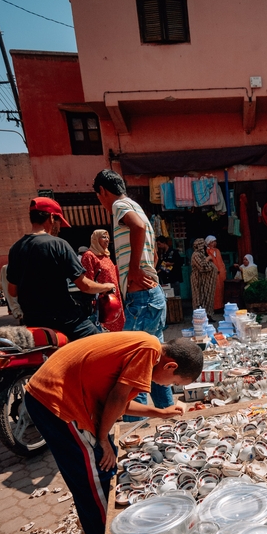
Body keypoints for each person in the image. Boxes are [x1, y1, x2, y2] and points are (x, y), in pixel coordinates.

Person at [25, 334, 203, 534]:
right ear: (170, 366)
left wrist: (159, 412)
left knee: (103, 463)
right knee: (94, 478)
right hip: (57, 400)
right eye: (174, 382)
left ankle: (102, 532)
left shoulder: (148, 345)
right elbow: (118, 398)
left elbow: (119, 402)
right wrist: (102, 439)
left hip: (54, 393)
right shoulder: (149, 351)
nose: (167, 386)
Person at [93, 169, 173, 420]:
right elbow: (155, 252)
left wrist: (136, 269)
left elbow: (137, 228)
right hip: (152, 296)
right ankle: (166, 417)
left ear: (103, 192)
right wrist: (145, 268)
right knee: (152, 360)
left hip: (141, 298)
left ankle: (133, 428)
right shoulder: (136, 207)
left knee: (132, 365)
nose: (102, 203)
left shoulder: (119, 205)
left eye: (99, 198)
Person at [7, 197, 115, 341]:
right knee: (102, 345)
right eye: (59, 222)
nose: (59, 227)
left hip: (33, 320)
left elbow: (12, 291)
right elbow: (84, 286)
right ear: (52, 217)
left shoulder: (16, 248)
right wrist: (105, 286)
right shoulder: (58, 245)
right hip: (65, 320)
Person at [81, 230, 125, 332]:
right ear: (96, 239)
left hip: (114, 298)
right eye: (104, 237)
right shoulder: (89, 256)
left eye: (108, 237)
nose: (107, 240)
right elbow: (88, 281)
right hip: (102, 302)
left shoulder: (106, 256)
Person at [191, 238, 218, 319]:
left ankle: (208, 316)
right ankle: (200, 318)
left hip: (205, 281)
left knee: (207, 298)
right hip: (198, 280)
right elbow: (202, 266)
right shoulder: (196, 255)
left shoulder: (201, 254)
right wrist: (208, 259)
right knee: (199, 298)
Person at [205, 235, 226, 311]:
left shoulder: (217, 251)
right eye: (213, 242)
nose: (215, 243)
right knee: (215, 290)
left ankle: (221, 306)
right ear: (209, 243)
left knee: (222, 289)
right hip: (213, 273)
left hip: (221, 273)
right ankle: (215, 307)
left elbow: (221, 261)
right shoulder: (206, 251)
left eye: (215, 242)